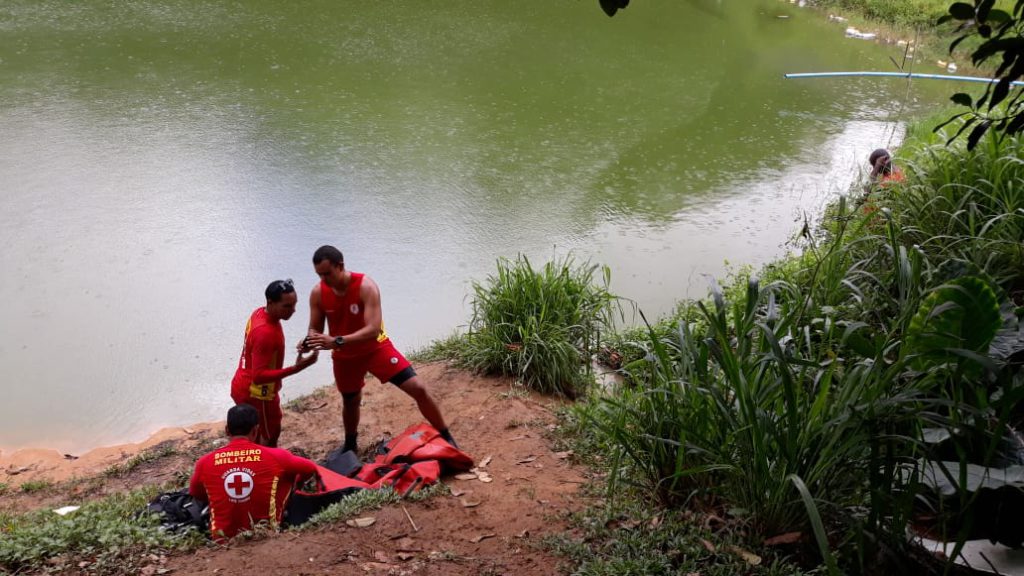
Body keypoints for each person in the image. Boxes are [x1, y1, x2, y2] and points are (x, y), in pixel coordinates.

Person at [302, 245, 457, 453]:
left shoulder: (366, 286)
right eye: (319, 275)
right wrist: (309, 341)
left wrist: (336, 341)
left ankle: (446, 435)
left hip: (375, 349)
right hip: (345, 356)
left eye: (327, 274)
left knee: (418, 388)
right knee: (350, 400)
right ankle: (350, 445)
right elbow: (316, 329)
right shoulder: (318, 293)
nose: (324, 279)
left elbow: (373, 329)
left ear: (341, 266)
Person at [188, 404, 318, 542]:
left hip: (222, 540)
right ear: (256, 430)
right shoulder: (277, 456)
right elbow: (310, 468)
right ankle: (274, 518)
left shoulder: (204, 462)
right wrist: (298, 484)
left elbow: (196, 493)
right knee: (286, 476)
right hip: (265, 534)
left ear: (227, 431)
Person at [230, 279, 318, 447]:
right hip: (257, 394)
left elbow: (263, 354)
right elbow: (259, 376)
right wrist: (296, 368)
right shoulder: (265, 333)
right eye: (287, 306)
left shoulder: (259, 313)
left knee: (254, 434)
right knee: (269, 435)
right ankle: (266, 466)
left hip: (242, 382)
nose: (293, 310)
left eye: (294, 304)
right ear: (271, 302)